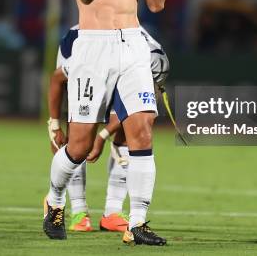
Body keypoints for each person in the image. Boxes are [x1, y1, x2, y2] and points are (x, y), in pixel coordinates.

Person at [42, 0, 172, 246]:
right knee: (80, 145)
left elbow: (157, 4)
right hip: (93, 45)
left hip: (132, 43)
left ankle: (138, 222)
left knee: (142, 128)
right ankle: (54, 201)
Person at [47, 25, 169, 233]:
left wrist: (103, 135)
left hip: (123, 52)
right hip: (92, 50)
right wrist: (54, 124)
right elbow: (57, 80)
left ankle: (112, 212)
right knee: (80, 138)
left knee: (136, 128)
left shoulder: (155, 60)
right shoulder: (79, 50)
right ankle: (78, 211)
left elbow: (133, 113)